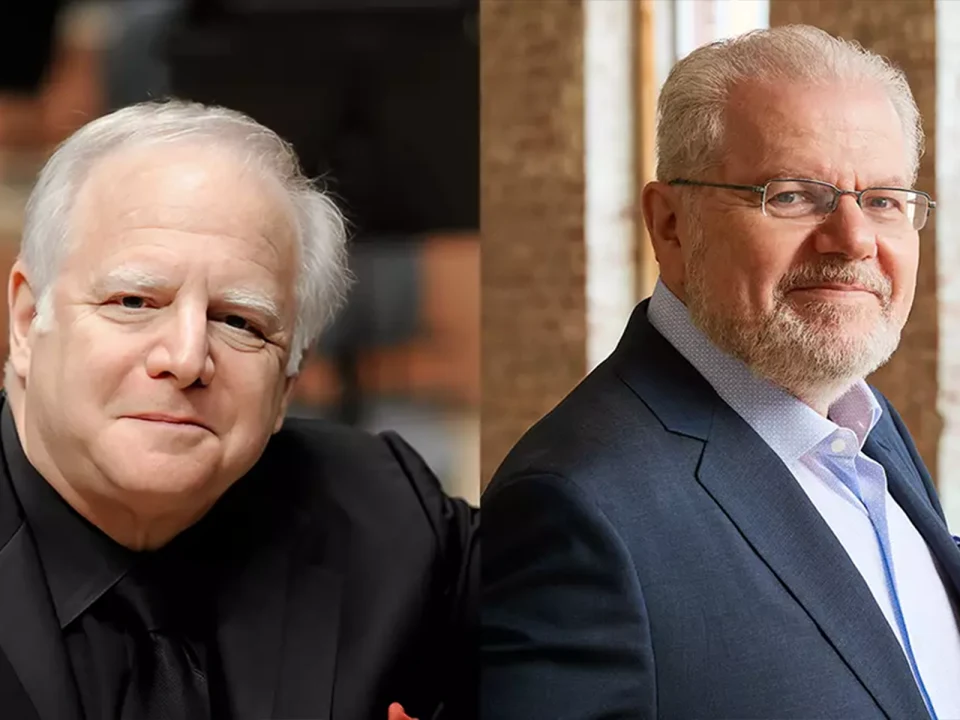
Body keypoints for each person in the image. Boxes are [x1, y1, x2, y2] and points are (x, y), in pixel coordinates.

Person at [482, 24, 960, 720]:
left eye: (884, 200)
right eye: (794, 195)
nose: (854, 240)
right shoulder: (579, 507)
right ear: (671, 224)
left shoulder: (866, 428)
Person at [0, 100, 477, 720]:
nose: (187, 357)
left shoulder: (385, 514)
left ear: (287, 383)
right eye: (136, 301)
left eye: (239, 322)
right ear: (27, 321)